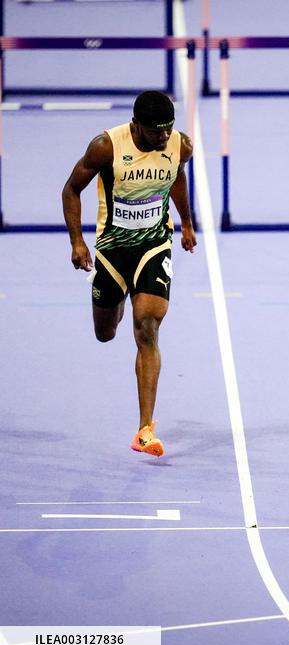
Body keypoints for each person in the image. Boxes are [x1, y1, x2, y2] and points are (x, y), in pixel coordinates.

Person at [62, 90, 197, 457]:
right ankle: (118, 296)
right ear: (136, 125)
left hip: (154, 245)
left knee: (147, 328)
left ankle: (144, 430)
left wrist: (186, 223)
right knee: (105, 333)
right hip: (112, 251)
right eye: (156, 132)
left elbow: (177, 177)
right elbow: (72, 189)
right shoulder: (106, 147)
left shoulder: (180, 145)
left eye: (168, 130)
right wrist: (77, 242)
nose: (163, 138)